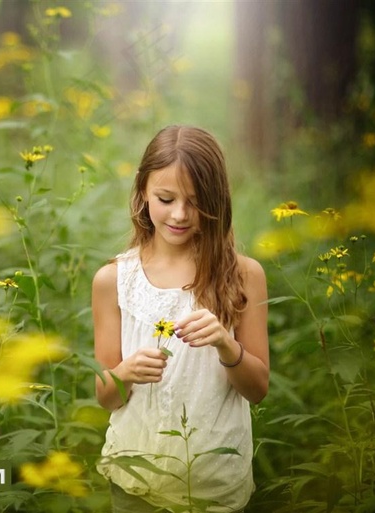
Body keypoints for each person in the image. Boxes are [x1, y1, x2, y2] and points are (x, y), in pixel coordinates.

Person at [92, 125, 270, 512]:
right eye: (166, 198)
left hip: (215, 488)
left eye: (195, 201)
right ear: (142, 192)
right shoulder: (113, 281)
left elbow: (257, 389)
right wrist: (125, 373)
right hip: (133, 483)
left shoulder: (243, 276)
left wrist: (226, 343)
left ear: (217, 201)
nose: (180, 214)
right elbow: (106, 397)